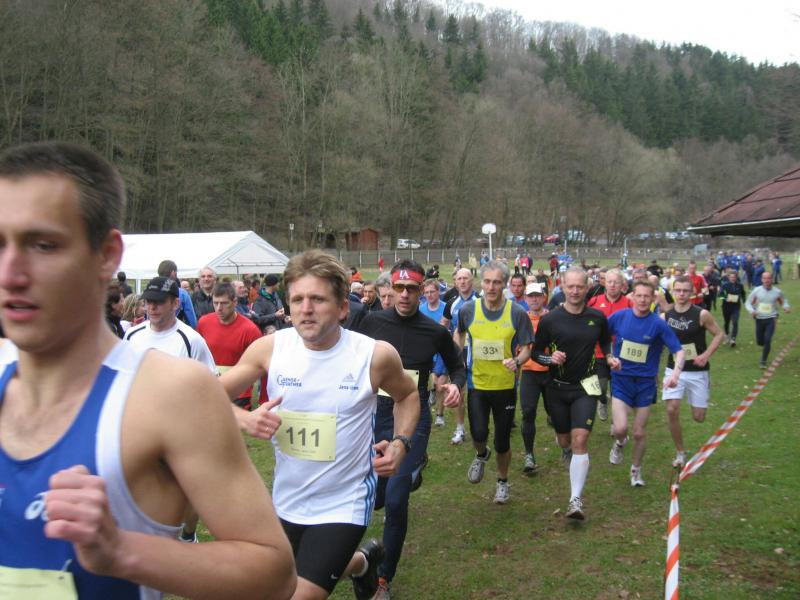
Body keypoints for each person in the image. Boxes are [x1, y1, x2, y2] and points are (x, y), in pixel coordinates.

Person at [0, 141, 295, 599]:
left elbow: (273, 573)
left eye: (43, 245)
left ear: (106, 255)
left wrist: (120, 551)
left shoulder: (171, 393)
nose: (10, 273)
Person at [220, 250, 420, 600]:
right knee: (284, 576)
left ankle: (352, 559)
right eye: (297, 299)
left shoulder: (373, 356)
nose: (306, 309)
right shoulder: (270, 349)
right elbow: (206, 396)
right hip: (287, 497)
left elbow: (408, 395)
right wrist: (243, 418)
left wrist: (400, 442)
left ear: (342, 308)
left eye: (317, 299)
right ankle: (361, 563)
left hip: (345, 500)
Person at [357, 260, 465, 600]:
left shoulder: (434, 332)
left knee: (396, 498)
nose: (404, 295)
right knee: (372, 496)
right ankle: (411, 473)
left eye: (411, 289)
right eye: (399, 288)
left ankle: (382, 579)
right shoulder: (371, 323)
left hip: (413, 420)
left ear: (421, 291)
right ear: (391, 288)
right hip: (374, 417)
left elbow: (458, 365)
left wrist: (455, 385)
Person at [123, 276, 217, 543]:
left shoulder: (191, 340)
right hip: (140, 427)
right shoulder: (132, 335)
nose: (152, 307)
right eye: (148, 302)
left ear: (175, 303)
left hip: (182, 429)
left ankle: (188, 533)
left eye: (159, 302)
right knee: (144, 487)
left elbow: (210, 383)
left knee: (187, 491)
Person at [532, 269, 615, 519]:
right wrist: (551, 358)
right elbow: (537, 353)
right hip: (557, 387)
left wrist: (609, 356)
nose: (575, 291)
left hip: (586, 386)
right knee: (565, 439)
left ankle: (575, 500)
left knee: (581, 439)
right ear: (563, 287)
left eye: (580, 286)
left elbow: (605, 341)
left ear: (587, 287)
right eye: (571, 287)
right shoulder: (550, 319)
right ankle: (566, 449)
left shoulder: (597, 317)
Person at [454, 260, 534, 504]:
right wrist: (457, 357)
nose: (491, 287)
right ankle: (481, 454)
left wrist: (517, 361)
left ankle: (502, 481)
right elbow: (459, 332)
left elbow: (527, 347)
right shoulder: (468, 310)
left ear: (505, 284)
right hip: (477, 384)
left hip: (505, 386)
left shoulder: (517, 313)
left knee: (502, 441)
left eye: (497, 282)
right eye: (487, 281)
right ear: (481, 282)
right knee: (478, 433)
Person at [608, 281, 684, 487]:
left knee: (639, 432)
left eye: (646, 296)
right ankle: (620, 442)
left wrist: (676, 373)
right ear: (632, 296)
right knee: (620, 428)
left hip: (645, 384)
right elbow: (600, 335)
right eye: (639, 296)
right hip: (621, 380)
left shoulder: (658, 324)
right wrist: (609, 356)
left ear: (653, 299)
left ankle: (636, 471)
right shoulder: (620, 317)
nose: (642, 300)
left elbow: (678, 350)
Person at [662, 276, 725, 468]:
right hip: (674, 370)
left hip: (697, 371)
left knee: (699, 417)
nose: (681, 294)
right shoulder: (666, 316)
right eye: (678, 290)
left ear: (691, 292)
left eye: (685, 291)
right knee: (672, 409)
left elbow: (719, 334)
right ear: (673, 291)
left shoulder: (701, 314)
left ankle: (701, 396)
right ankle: (680, 452)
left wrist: (705, 355)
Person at [197, 282, 263, 410]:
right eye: (215, 303)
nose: (219, 308)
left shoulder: (250, 330)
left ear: (235, 302)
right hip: (209, 388)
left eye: (224, 303)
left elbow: (260, 365)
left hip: (239, 393)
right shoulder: (204, 323)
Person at [441, 268, 478, 444]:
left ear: (472, 281)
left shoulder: (481, 300)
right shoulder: (451, 303)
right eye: (459, 279)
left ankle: (480, 427)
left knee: (478, 393)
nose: (462, 282)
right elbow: (443, 325)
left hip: (478, 352)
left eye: (466, 278)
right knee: (459, 391)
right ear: (455, 282)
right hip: (459, 351)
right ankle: (460, 428)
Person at [518, 283, 549, 474]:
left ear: (543, 297)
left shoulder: (552, 318)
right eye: (531, 296)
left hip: (551, 372)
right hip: (529, 372)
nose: (534, 299)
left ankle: (566, 444)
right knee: (528, 413)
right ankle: (529, 454)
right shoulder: (522, 319)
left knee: (556, 414)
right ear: (526, 299)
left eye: (537, 295)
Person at [745, 271, 791, 368]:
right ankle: (763, 344)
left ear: (771, 279)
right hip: (759, 318)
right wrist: (752, 311)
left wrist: (786, 307)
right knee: (760, 341)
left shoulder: (777, 292)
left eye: (769, 278)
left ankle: (763, 361)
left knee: (767, 339)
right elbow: (748, 303)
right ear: (762, 279)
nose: (767, 280)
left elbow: (784, 301)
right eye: (764, 278)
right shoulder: (756, 291)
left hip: (771, 318)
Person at [419, 278, 448, 427]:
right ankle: (429, 398)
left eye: (432, 292)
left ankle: (440, 415)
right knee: (429, 384)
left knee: (440, 385)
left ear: (438, 292)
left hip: (443, 352)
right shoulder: (420, 309)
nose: (429, 295)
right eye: (426, 292)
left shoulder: (446, 308)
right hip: (426, 352)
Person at [156, 259, 198, 329]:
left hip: (155, 330)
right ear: (173, 273)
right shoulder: (182, 294)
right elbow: (191, 320)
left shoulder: (150, 292)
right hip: (175, 330)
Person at [719, 270, 745, 346]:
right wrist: (725, 298)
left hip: (736, 307)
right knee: (726, 322)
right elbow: (720, 295)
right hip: (726, 306)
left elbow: (743, 293)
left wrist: (744, 300)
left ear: (736, 277)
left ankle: (733, 339)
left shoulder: (740, 285)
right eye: (731, 277)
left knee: (735, 322)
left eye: (734, 277)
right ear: (729, 278)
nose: (733, 278)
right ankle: (727, 336)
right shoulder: (725, 285)